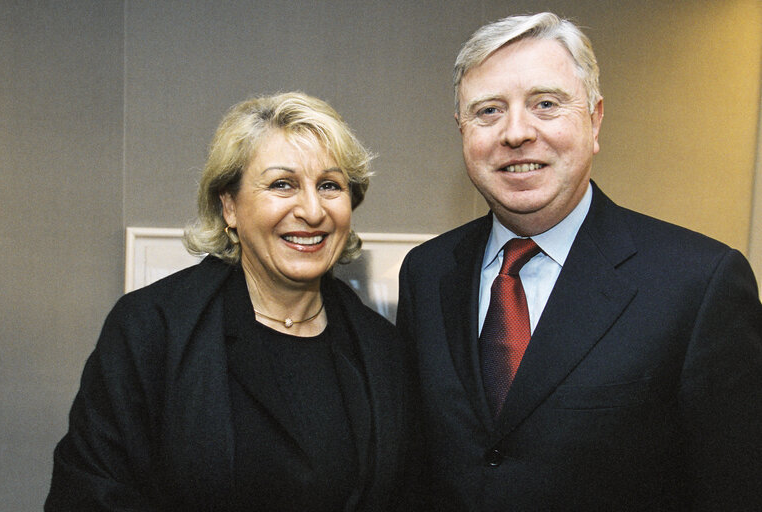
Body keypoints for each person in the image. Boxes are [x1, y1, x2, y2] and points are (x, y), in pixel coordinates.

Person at [397, 12, 762, 511]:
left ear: (594, 121)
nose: (515, 133)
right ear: (461, 129)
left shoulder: (700, 283)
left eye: (545, 104)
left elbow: (735, 486)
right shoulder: (427, 272)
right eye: (487, 111)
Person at [46, 92, 411, 511]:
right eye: (282, 184)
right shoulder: (152, 329)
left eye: (329, 185)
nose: (312, 210)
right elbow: (88, 497)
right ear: (229, 206)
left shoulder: (381, 348)